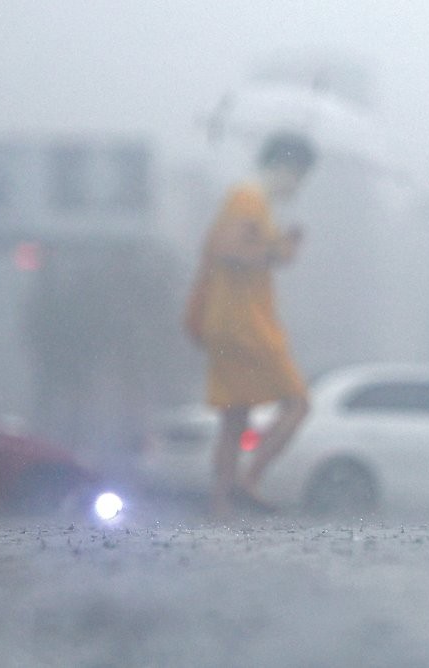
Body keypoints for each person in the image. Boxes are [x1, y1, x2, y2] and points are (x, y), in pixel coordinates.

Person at [184, 132, 316, 518]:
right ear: (287, 167)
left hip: (225, 322)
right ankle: (249, 479)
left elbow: (241, 251)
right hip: (244, 324)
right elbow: (228, 250)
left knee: (234, 415)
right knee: (297, 404)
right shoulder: (249, 198)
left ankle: (221, 503)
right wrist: (278, 249)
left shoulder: (252, 201)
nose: (300, 185)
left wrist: (281, 246)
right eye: (301, 174)